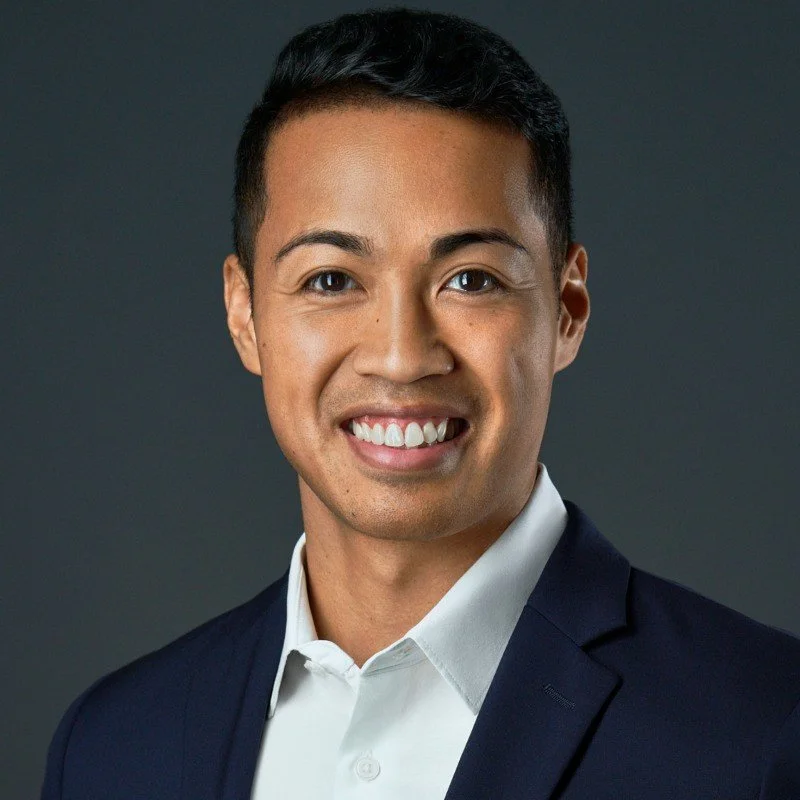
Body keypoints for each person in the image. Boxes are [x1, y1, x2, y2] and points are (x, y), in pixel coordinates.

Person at [41, 8, 800, 799]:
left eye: (471, 279)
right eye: (331, 280)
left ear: (568, 309)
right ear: (245, 316)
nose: (402, 356)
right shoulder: (113, 746)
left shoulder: (765, 732)